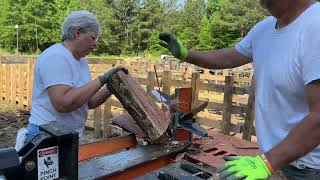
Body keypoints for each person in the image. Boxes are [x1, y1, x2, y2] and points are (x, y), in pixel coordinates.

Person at [159, 0, 320, 179]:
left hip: (309, 168)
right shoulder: (264, 29)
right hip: (277, 158)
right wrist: (187, 55)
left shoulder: (315, 26)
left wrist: (267, 163)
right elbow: (229, 57)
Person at [17, 11, 127, 146]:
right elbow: (63, 103)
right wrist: (102, 79)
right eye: (93, 38)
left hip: (67, 137)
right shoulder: (56, 57)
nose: (95, 44)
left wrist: (110, 87)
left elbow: (89, 102)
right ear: (77, 33)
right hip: (46, 138)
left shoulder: (82, 63)